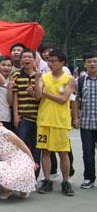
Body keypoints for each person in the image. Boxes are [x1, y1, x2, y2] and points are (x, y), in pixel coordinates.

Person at [35, 49, 75, 196]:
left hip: (60, 121)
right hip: (44, 119)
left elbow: (63, 99)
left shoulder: (69, 79)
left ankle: (66, 182)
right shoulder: (44, 77)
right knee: (45, 152)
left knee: (63, 153)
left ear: (62, 62)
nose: (50, 64)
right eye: (49, 61)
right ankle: (47, 180)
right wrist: (37, 81)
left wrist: (45, 93)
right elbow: (38, 96)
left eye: (53, 61)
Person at [10, 49, 42, 176]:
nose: (26, 59)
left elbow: (39, 97)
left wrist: (37, 82)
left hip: (38, 117)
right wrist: (16, 115)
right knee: (21, 148)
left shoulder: (39, 75)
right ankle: (21, 175)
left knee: (36, 149)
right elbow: (15, 97)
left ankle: (34, 176)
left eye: (29, 57)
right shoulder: (16, 75)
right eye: (24, 57)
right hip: (23, 117)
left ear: (34, 60)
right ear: (20, 60)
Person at [73, 50, 97, 189]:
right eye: (89, 62)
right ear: (85, 64)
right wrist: (75, 117)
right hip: (86, 123)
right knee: (87, 153)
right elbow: (75, 100)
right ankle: (89, 178)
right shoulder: (80, 81)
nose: (92, 64)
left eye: (95, 61)